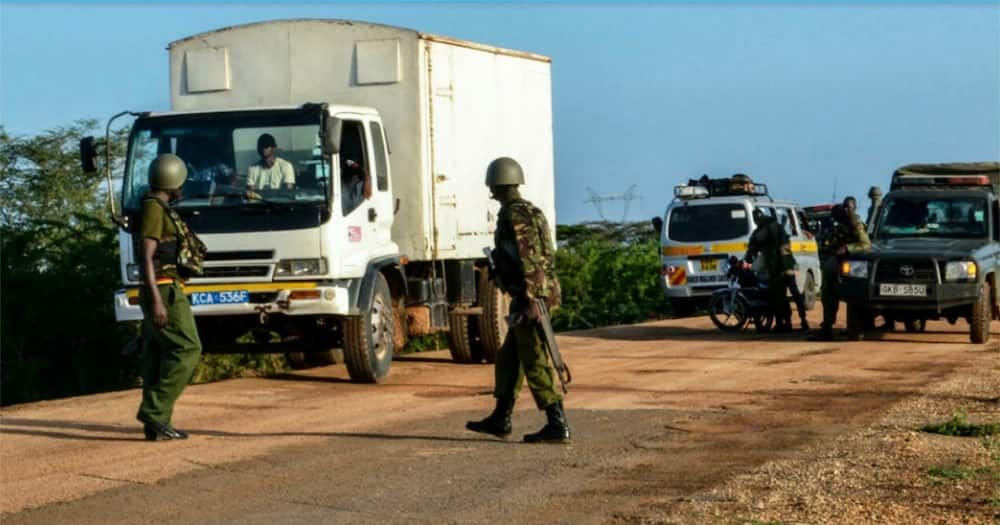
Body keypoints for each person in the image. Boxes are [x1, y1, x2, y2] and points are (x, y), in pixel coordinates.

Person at [466, 157, 569, 444]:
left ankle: (556, 423)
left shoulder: (516, 215)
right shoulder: (530, 210)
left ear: (495, 186)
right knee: (509, 360)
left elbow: (530, 259)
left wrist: (532, 300)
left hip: (530, 300)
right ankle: (501, 418)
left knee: (534, 359)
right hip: (532, 296)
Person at [135, 153, 204, 441]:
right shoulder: (154, 209)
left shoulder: (156, 207)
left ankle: (157, 423)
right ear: (173, 181)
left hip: (161, 289)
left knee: (157, 353)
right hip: (163, 289)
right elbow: (146, 257)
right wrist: (157, 300)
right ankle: (154, 411)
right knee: (188, 349)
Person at [809, 204, 871, 341]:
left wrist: (847, 248)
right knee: (828, 297)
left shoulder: (856, 225)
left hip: (849, 266)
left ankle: (854, 329)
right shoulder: (840, 226)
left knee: (852, 298)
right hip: (833, 264)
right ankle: (827, 328)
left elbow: (866, 244)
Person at [745, 209, 793, 332]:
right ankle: (789, 322)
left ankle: (782, 324)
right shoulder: (776, 228)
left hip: (777, 268)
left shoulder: (767, 228)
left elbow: (756, 240)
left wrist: (750, 253)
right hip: (784, 267)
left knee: (777, 296)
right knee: (784, 295)